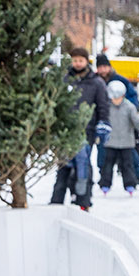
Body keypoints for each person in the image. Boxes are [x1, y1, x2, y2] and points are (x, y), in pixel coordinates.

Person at [52, 48, 110, 209]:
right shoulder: (65, 80)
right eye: (75, 60)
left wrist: (103, 123)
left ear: (86, 61)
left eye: (80, 60)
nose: (77, 64)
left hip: (87, 129)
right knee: (64, 164)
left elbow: (103, 106)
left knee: (83, 163)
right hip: (66, 130)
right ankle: (57, 199)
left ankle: (84, 199)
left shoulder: (96, 82)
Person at [97, 79, 139, 195]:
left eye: (118, 97)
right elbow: (101, 120)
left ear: (123, 95)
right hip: (110, 142)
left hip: (126, 142)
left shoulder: (129, 107)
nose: (116, 100)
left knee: (127, 165)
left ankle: (130, 184)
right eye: (113, 98)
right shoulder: (106, 107)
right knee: (107, 164)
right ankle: (105, 184)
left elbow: (137, 121)